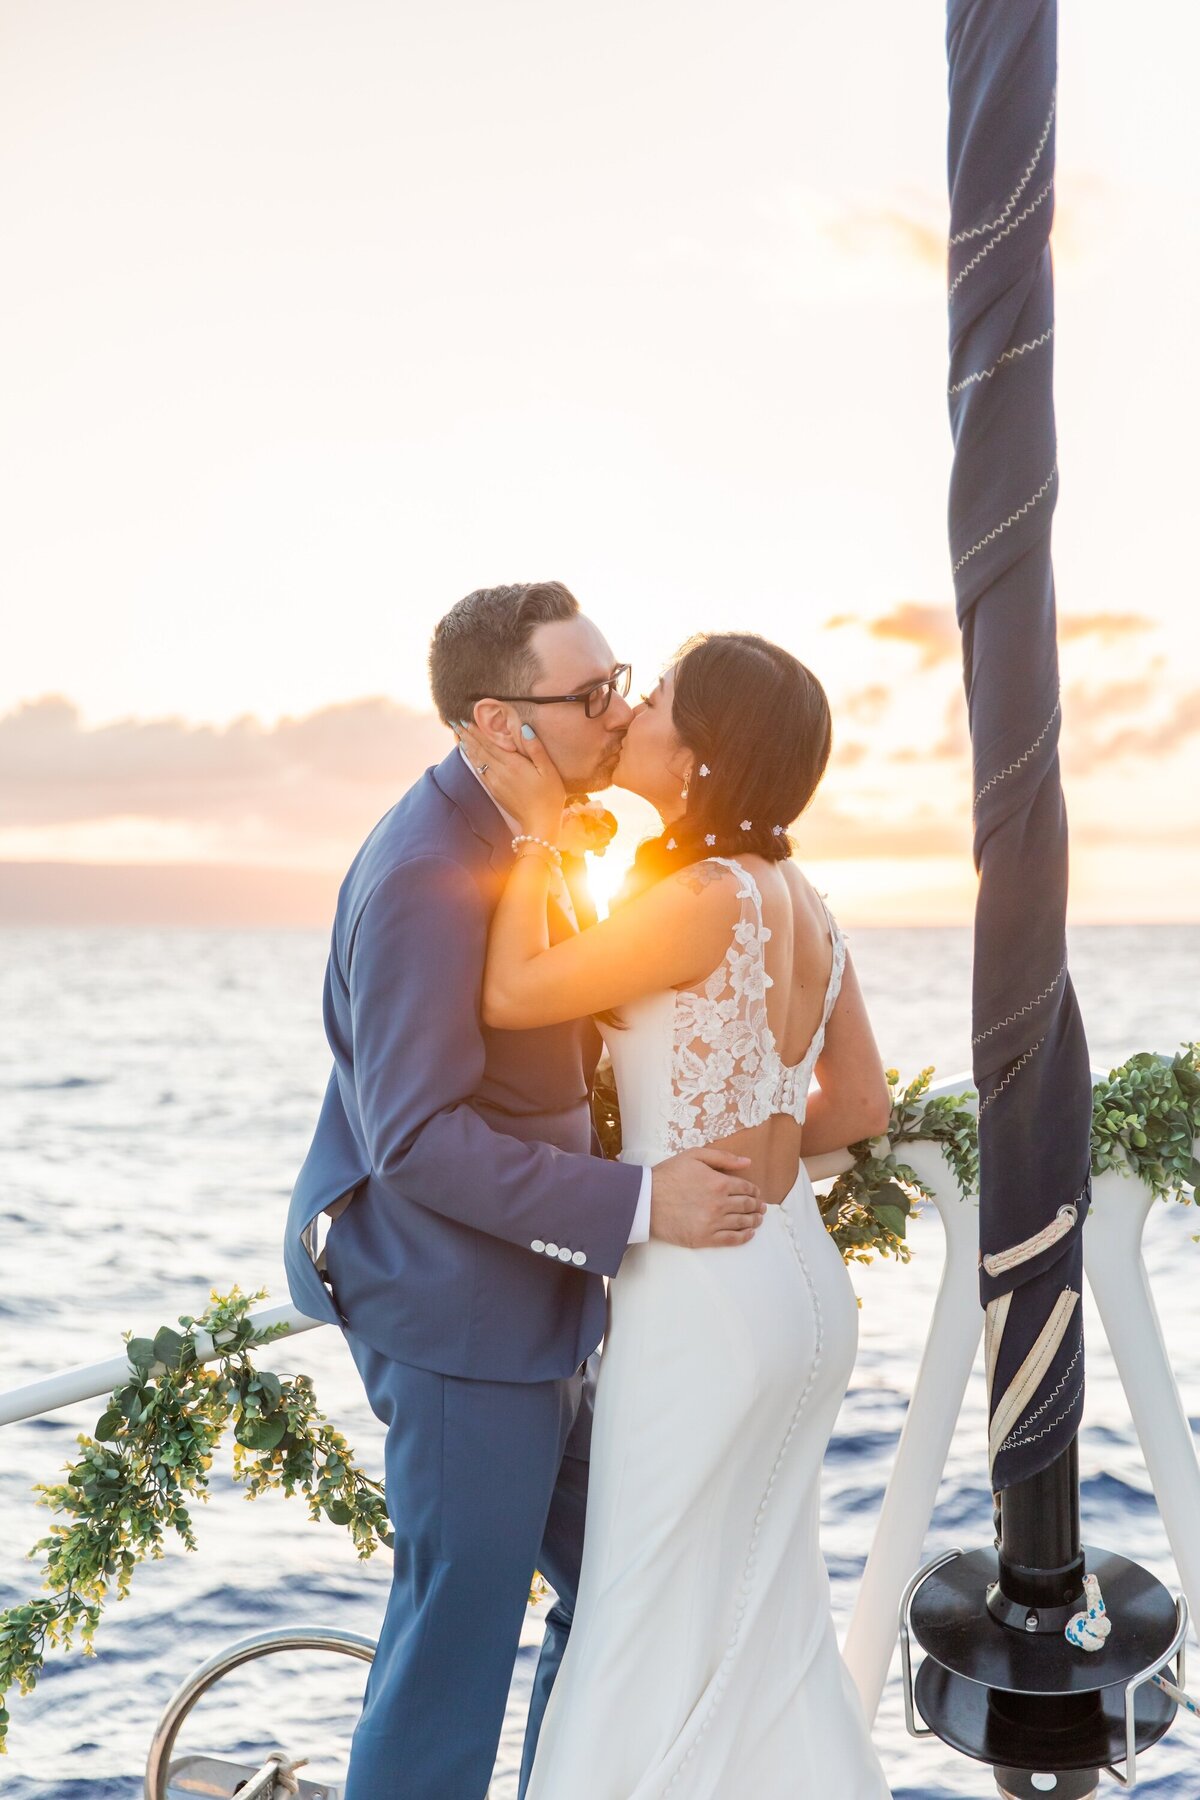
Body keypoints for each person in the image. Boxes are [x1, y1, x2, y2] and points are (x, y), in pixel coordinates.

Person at [282, 582, 766, 1800]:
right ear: (501, 722)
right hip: (455, 1319)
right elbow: (419, 1141)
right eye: (589, 694)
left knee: (621, 1596)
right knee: (452, 1658)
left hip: (540, 1301)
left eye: (619, 682)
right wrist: (644, 1205)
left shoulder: (525, 837)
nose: (617, 710)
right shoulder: (426, 874)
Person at [457, 629, 894, 1798]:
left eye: (654, 702)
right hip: (800, 1286)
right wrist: (756, 1151)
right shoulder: (806, 900)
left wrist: (538, 838)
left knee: (642, 1611)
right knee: (765, 1619)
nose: (633, 712)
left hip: (706, 1293)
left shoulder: (702, 897)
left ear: (700, 758)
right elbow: (859, 1104)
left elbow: (509, 994)